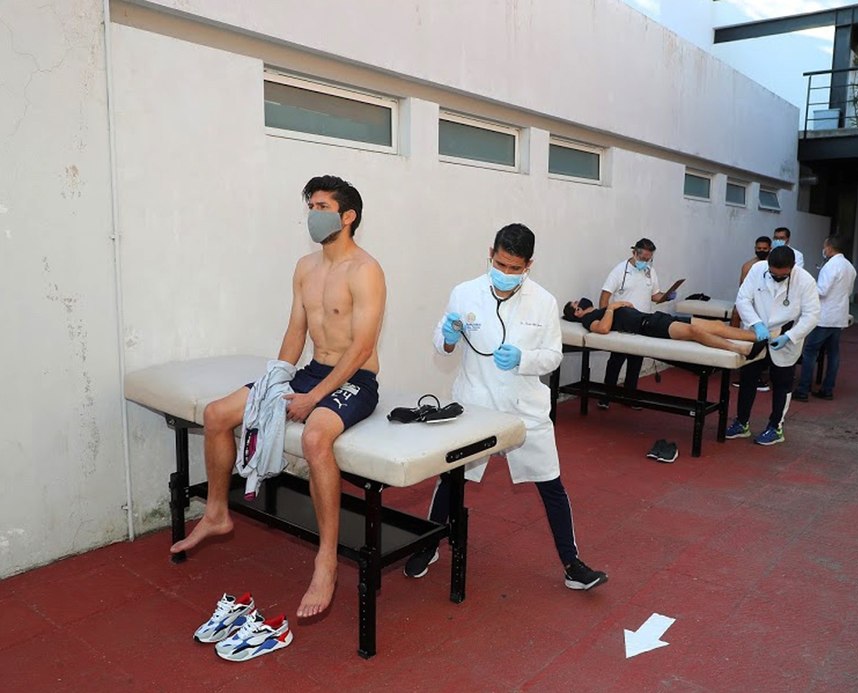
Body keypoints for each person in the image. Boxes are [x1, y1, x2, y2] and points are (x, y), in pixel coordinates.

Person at [169, 175, 387, 619]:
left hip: (355, 379)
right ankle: (216, 513)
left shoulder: (366, 270)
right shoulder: (305, 268)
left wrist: (314, 398)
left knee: (315, 439)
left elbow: (362, 348)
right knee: (217, 414)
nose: (313, 214)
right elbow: (295, 332)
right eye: (311, 206)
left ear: (348, 217)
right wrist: (276, 380)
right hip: (311, 372)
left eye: (322, 207)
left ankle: (326, 559)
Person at [404, 224, 608, 591]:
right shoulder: (465, 293)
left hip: (523, 408)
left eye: (515, 268)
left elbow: (553, 356)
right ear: (490, 254)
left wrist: (523, 359)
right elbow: (441, 345)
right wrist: (448, 339)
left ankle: (572, 564)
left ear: (529, 265)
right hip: (476, 404)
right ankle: (428, 545)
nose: (506, 273)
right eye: (500, 264)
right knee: (452, 479)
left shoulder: (543, 301)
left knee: (551, 483)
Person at [725, 245, 820, 445]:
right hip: (756, 333)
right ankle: (741, 423)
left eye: (782, 276)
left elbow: (812, 315)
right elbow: (743, 299)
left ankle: (776, 427)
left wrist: (790, 336)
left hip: (785, 337)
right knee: (748, 379)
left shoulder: (805, 281)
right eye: (773, 274)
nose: (777, 278)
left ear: (792, 268)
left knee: (782, 384)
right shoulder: (758, 269)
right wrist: (755, 323)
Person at [597, 238, 683, 409]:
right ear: (634, 253)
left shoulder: (650, 271)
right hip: (623, 324)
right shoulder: (620, 270)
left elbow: (655, 295)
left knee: (636, 360)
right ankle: (605, 397)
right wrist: (605, 318)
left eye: (649, 259)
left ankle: (630, 397)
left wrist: (667, 296)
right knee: (616, 360)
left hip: (643, 322)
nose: (646, 262)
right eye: (643, 258)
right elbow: (605, 296)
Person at [563, 299, 767, 360]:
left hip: (655, 318)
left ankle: (758, 336)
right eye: (576, 303)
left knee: (716, 325)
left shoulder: (597, 311)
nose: (579, 300)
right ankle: (741, 349)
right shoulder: (588, 319)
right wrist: (612, 307)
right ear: (577, 312)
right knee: (695, 332)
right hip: (649, 326)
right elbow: (603, 329)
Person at [792, 237, 857, 401]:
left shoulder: (830, 266)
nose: (824, 249)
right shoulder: (849, 267)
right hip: (839, 316)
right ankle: (828, 388)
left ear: (829, 248)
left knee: (810, 352)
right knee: (833, 353)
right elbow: (849, 291)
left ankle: (803, 389)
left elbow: (822, 290)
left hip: (824, 316)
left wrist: (808, 285)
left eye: (824, 246)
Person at [731, 236, 773, 392]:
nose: (761, 251)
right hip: (751, 306)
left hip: (768, 308)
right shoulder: (748, 266)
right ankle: (734, 352)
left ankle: (761, 373)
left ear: (770, 248)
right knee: (737, 316)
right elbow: (742, 291)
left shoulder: (773, 265)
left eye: (764, 248)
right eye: (759, 248)